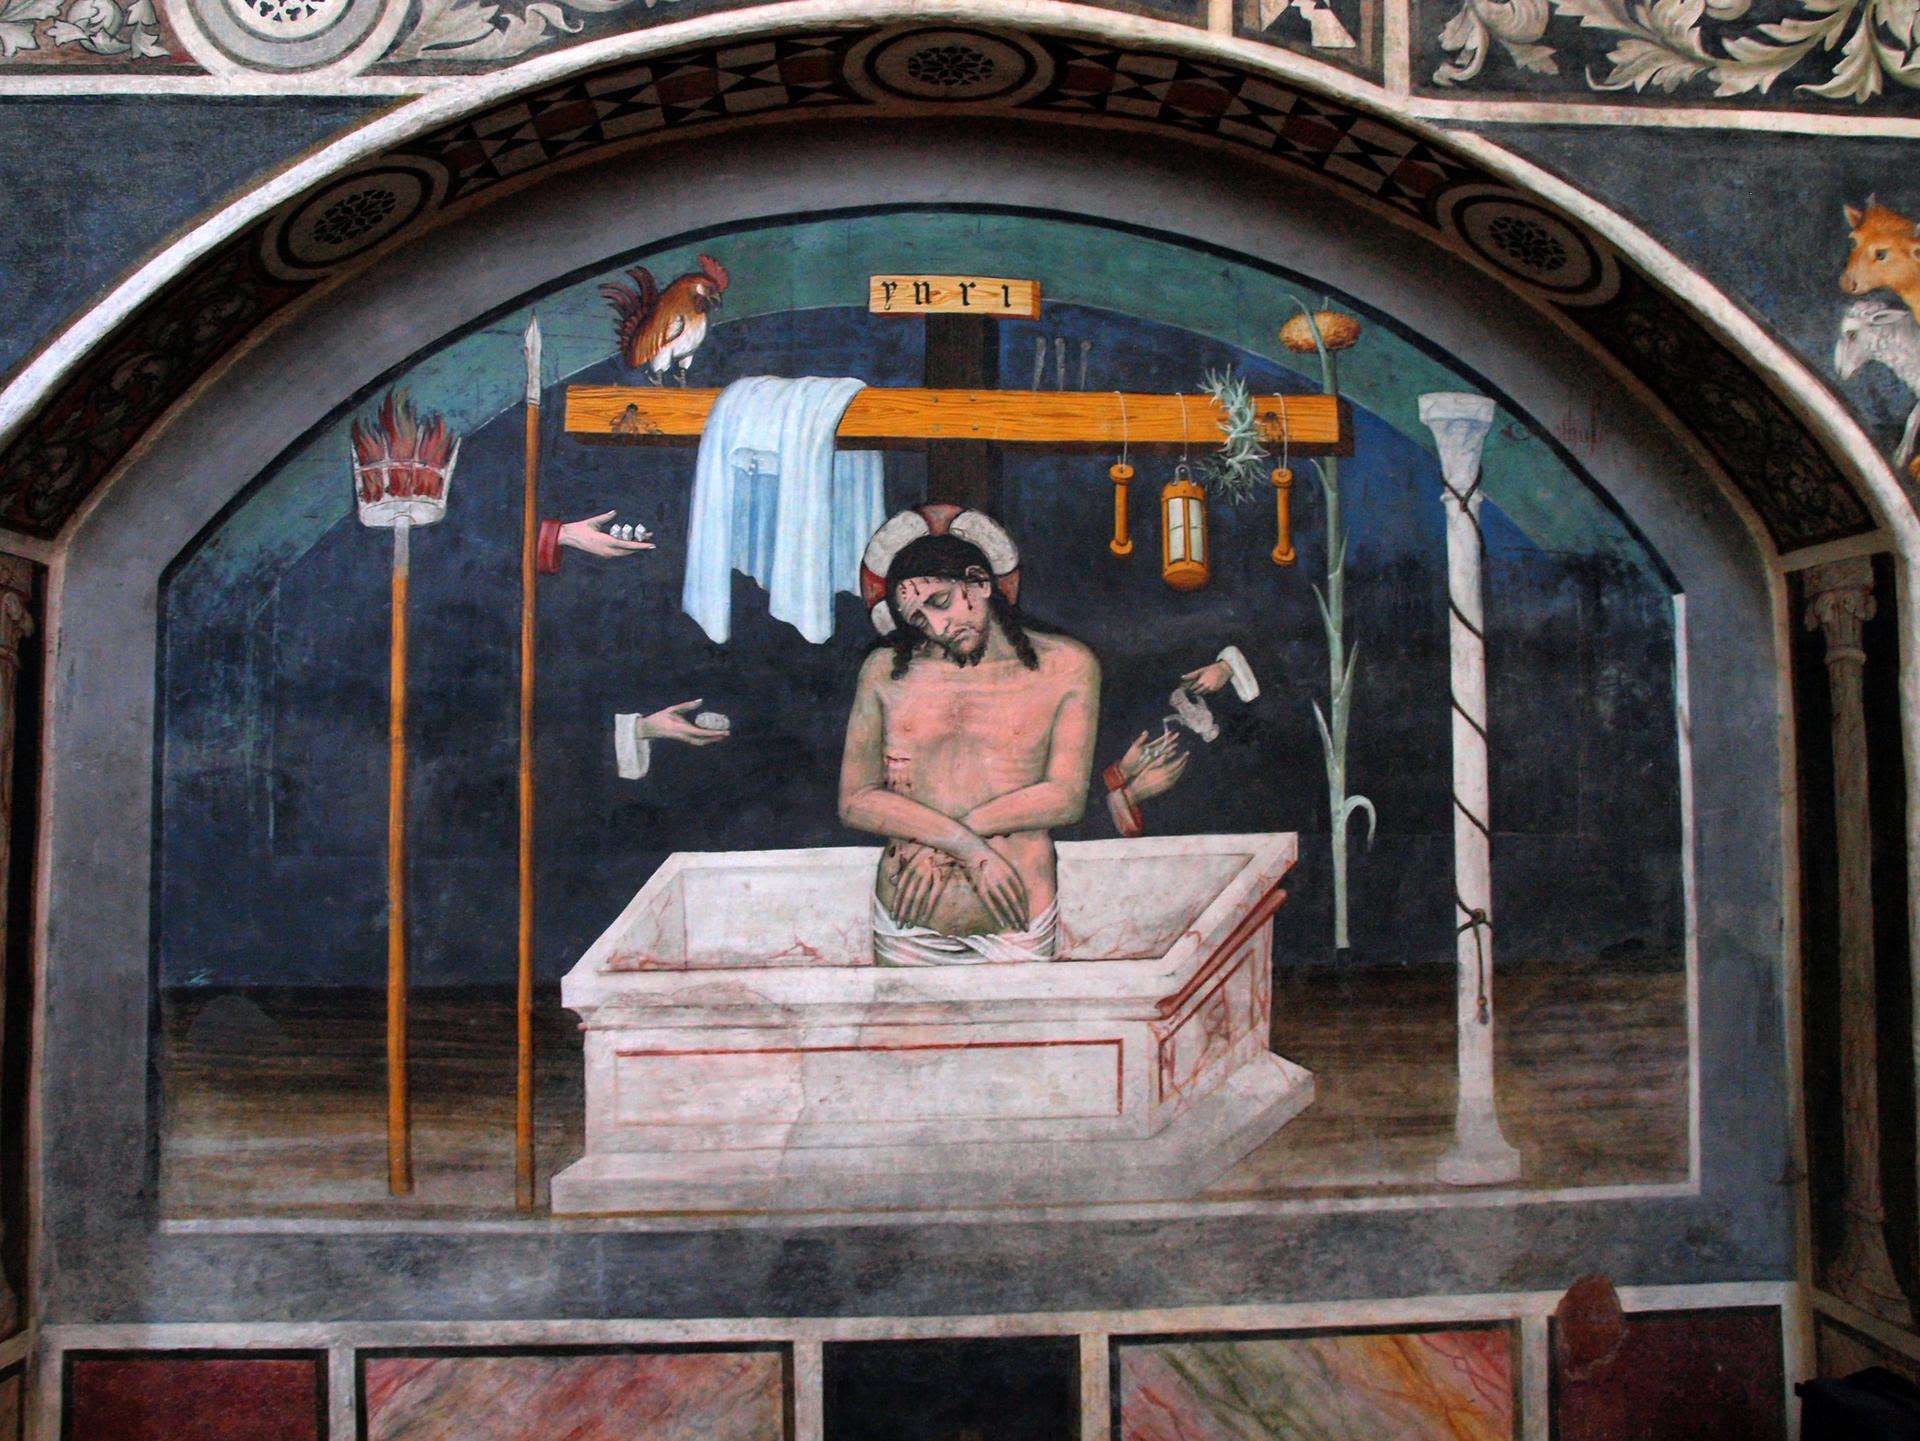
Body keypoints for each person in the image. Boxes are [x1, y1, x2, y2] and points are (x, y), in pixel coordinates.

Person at [838, 514, 1098, 965]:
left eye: (940, 602)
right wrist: (967, 848)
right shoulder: (883, 672)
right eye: (919, 619)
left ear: (979, 583)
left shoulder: (1068, 665)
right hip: (906, 924)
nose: (937, 627)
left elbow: (1066, 797)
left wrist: (947, 844)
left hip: (1019, 922)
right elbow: (856, 800)